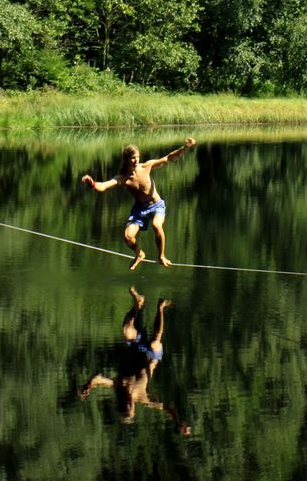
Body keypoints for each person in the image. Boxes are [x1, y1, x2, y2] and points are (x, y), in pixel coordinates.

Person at [79, 287, 190, 433]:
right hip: (152, 355)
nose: (127, 405)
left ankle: (138, 303)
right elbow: (165, 407)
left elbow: (99, 379)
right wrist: (179, 421)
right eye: (129, 409)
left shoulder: (119, 385)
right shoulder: (143, 398)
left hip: (137, 348)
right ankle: (161, 308)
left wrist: (88, 385)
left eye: (124, 407)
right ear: (133, 408)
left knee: (126, 330)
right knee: (155, 341)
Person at [81, 138, 196, 269]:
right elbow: (104, 186)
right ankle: (139, 253)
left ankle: (161, 256)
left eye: (137, 157)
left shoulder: (146, 167)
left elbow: (168, 158)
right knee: (128, 237)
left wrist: (185, 148)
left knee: (157, 225)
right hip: (140, 209)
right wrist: (93, 183)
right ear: (126, 159)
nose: (136, 160)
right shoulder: (123, 178)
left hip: (157, 205)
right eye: (133, 158)